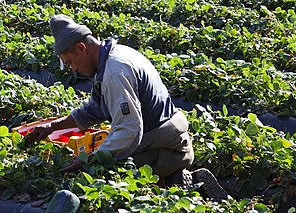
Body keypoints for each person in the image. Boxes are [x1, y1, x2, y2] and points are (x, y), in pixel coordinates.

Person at [24, 15, 228, 200]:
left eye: (70, 62)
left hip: (169, 147)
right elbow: (94, 109)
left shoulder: (115, 72)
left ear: (81, 48)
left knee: (109, 176)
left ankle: (183, 182)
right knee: (105, 156)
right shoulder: (112, 56)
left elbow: (129, 129)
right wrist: (52, 127)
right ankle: (174, 180)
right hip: (161, 137)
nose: (73, 69)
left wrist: (89, 160)